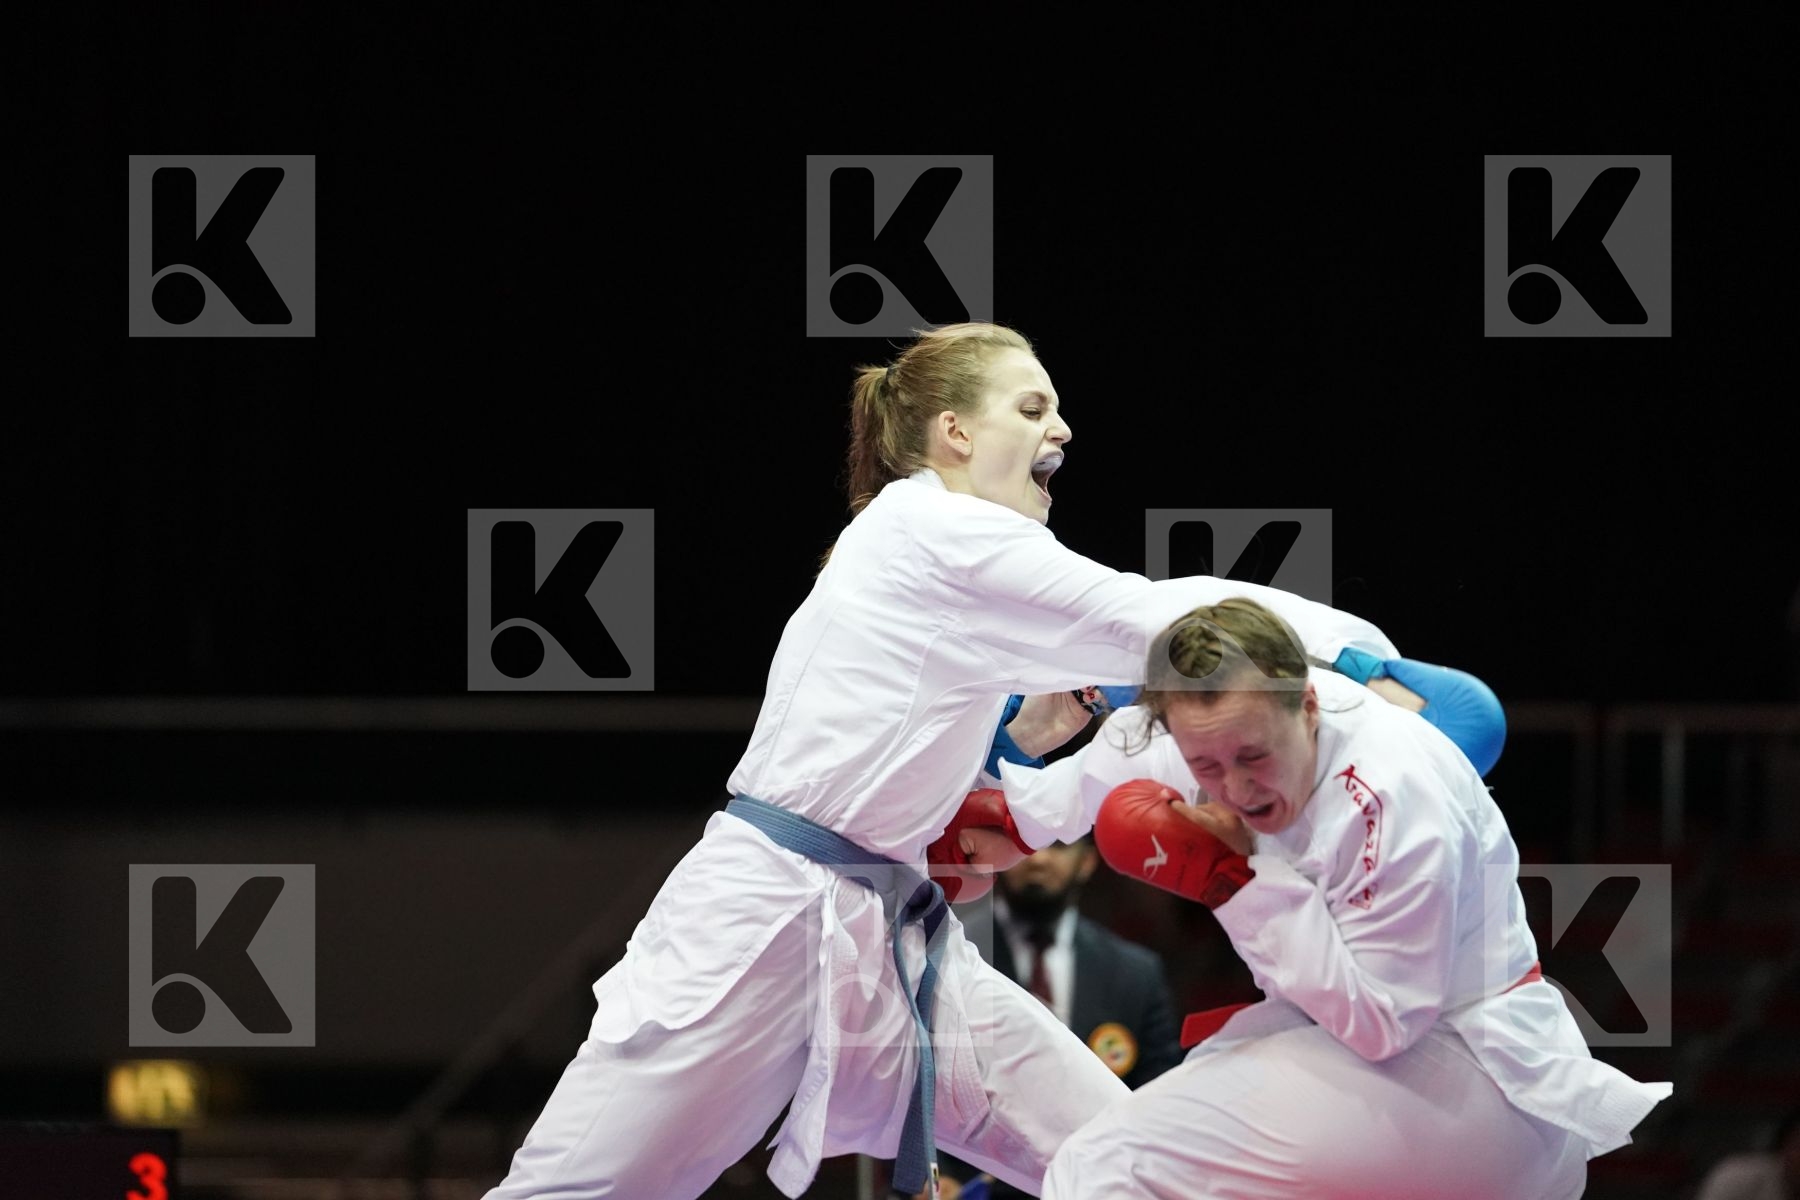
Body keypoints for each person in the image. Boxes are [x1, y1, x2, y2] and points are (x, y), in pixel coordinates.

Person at [482, 324, 1408, 1200]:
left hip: (892, 934)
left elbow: (906, 735)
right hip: (764, 921)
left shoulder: (932, 553)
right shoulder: (934, 531)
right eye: (1033, 406)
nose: (1062, 427)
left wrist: (1017, 742)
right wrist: (1366, 663)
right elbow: (1150, 617)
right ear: (954, 430)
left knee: (1120, 1160)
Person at [1024, 597, 1672, 1199]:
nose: (1237, 788)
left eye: (1253, 756)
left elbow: (1384, 1024)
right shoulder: (1229, 719)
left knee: (1108, 1163)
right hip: (1435, 1093)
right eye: (1207, 767)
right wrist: (1015, 818)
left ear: (1308, 706)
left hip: (1471, 1078)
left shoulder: (1390, 796)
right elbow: (1121, 758)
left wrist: (1236, 879)